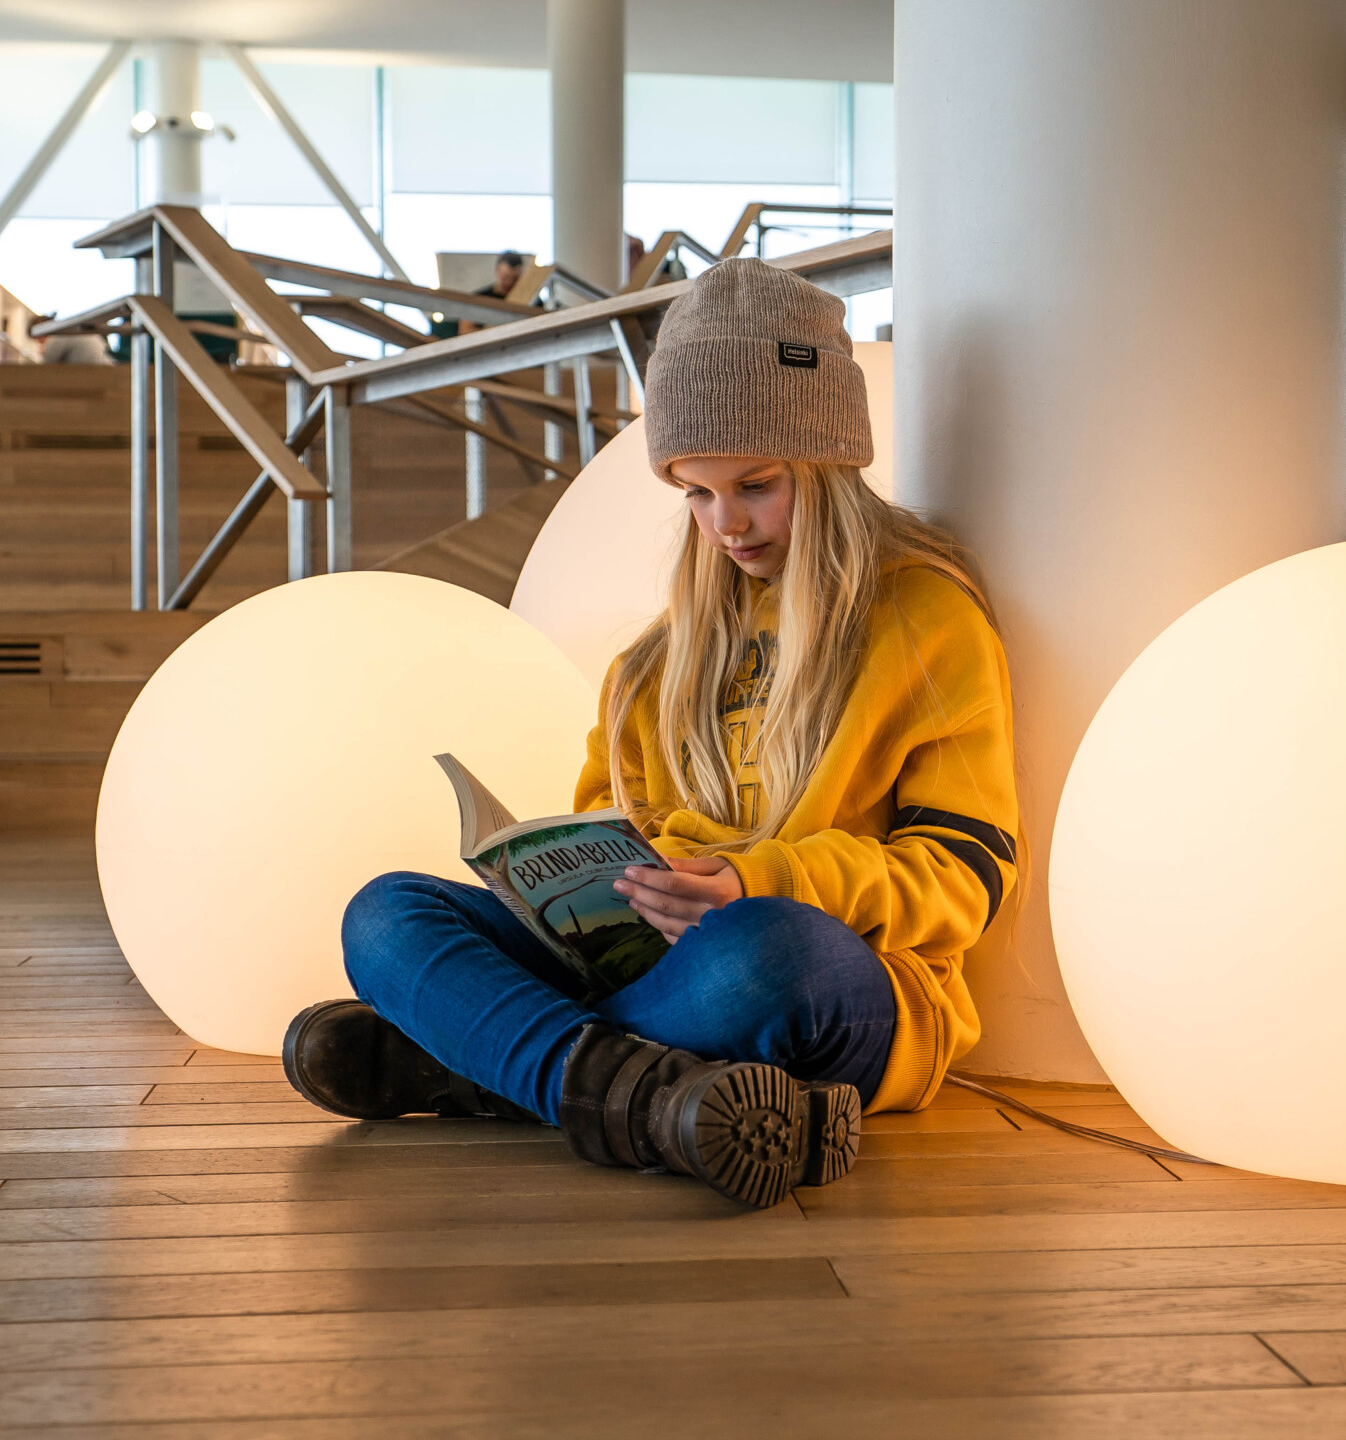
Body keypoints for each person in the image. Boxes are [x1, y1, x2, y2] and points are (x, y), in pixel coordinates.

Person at [284, 258, 1018, 1210]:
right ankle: (648, 1099)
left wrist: (759, 880)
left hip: (834, 975)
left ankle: (484, 1065)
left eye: (755, 484)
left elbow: (971, 875)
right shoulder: (652, 663)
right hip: (660, 970)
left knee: (761, 952)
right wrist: (609, 889)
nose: (726, 524)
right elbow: (605, 823)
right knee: (384, 914)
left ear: (830, 462)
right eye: (696, 493)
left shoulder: (928, 620)